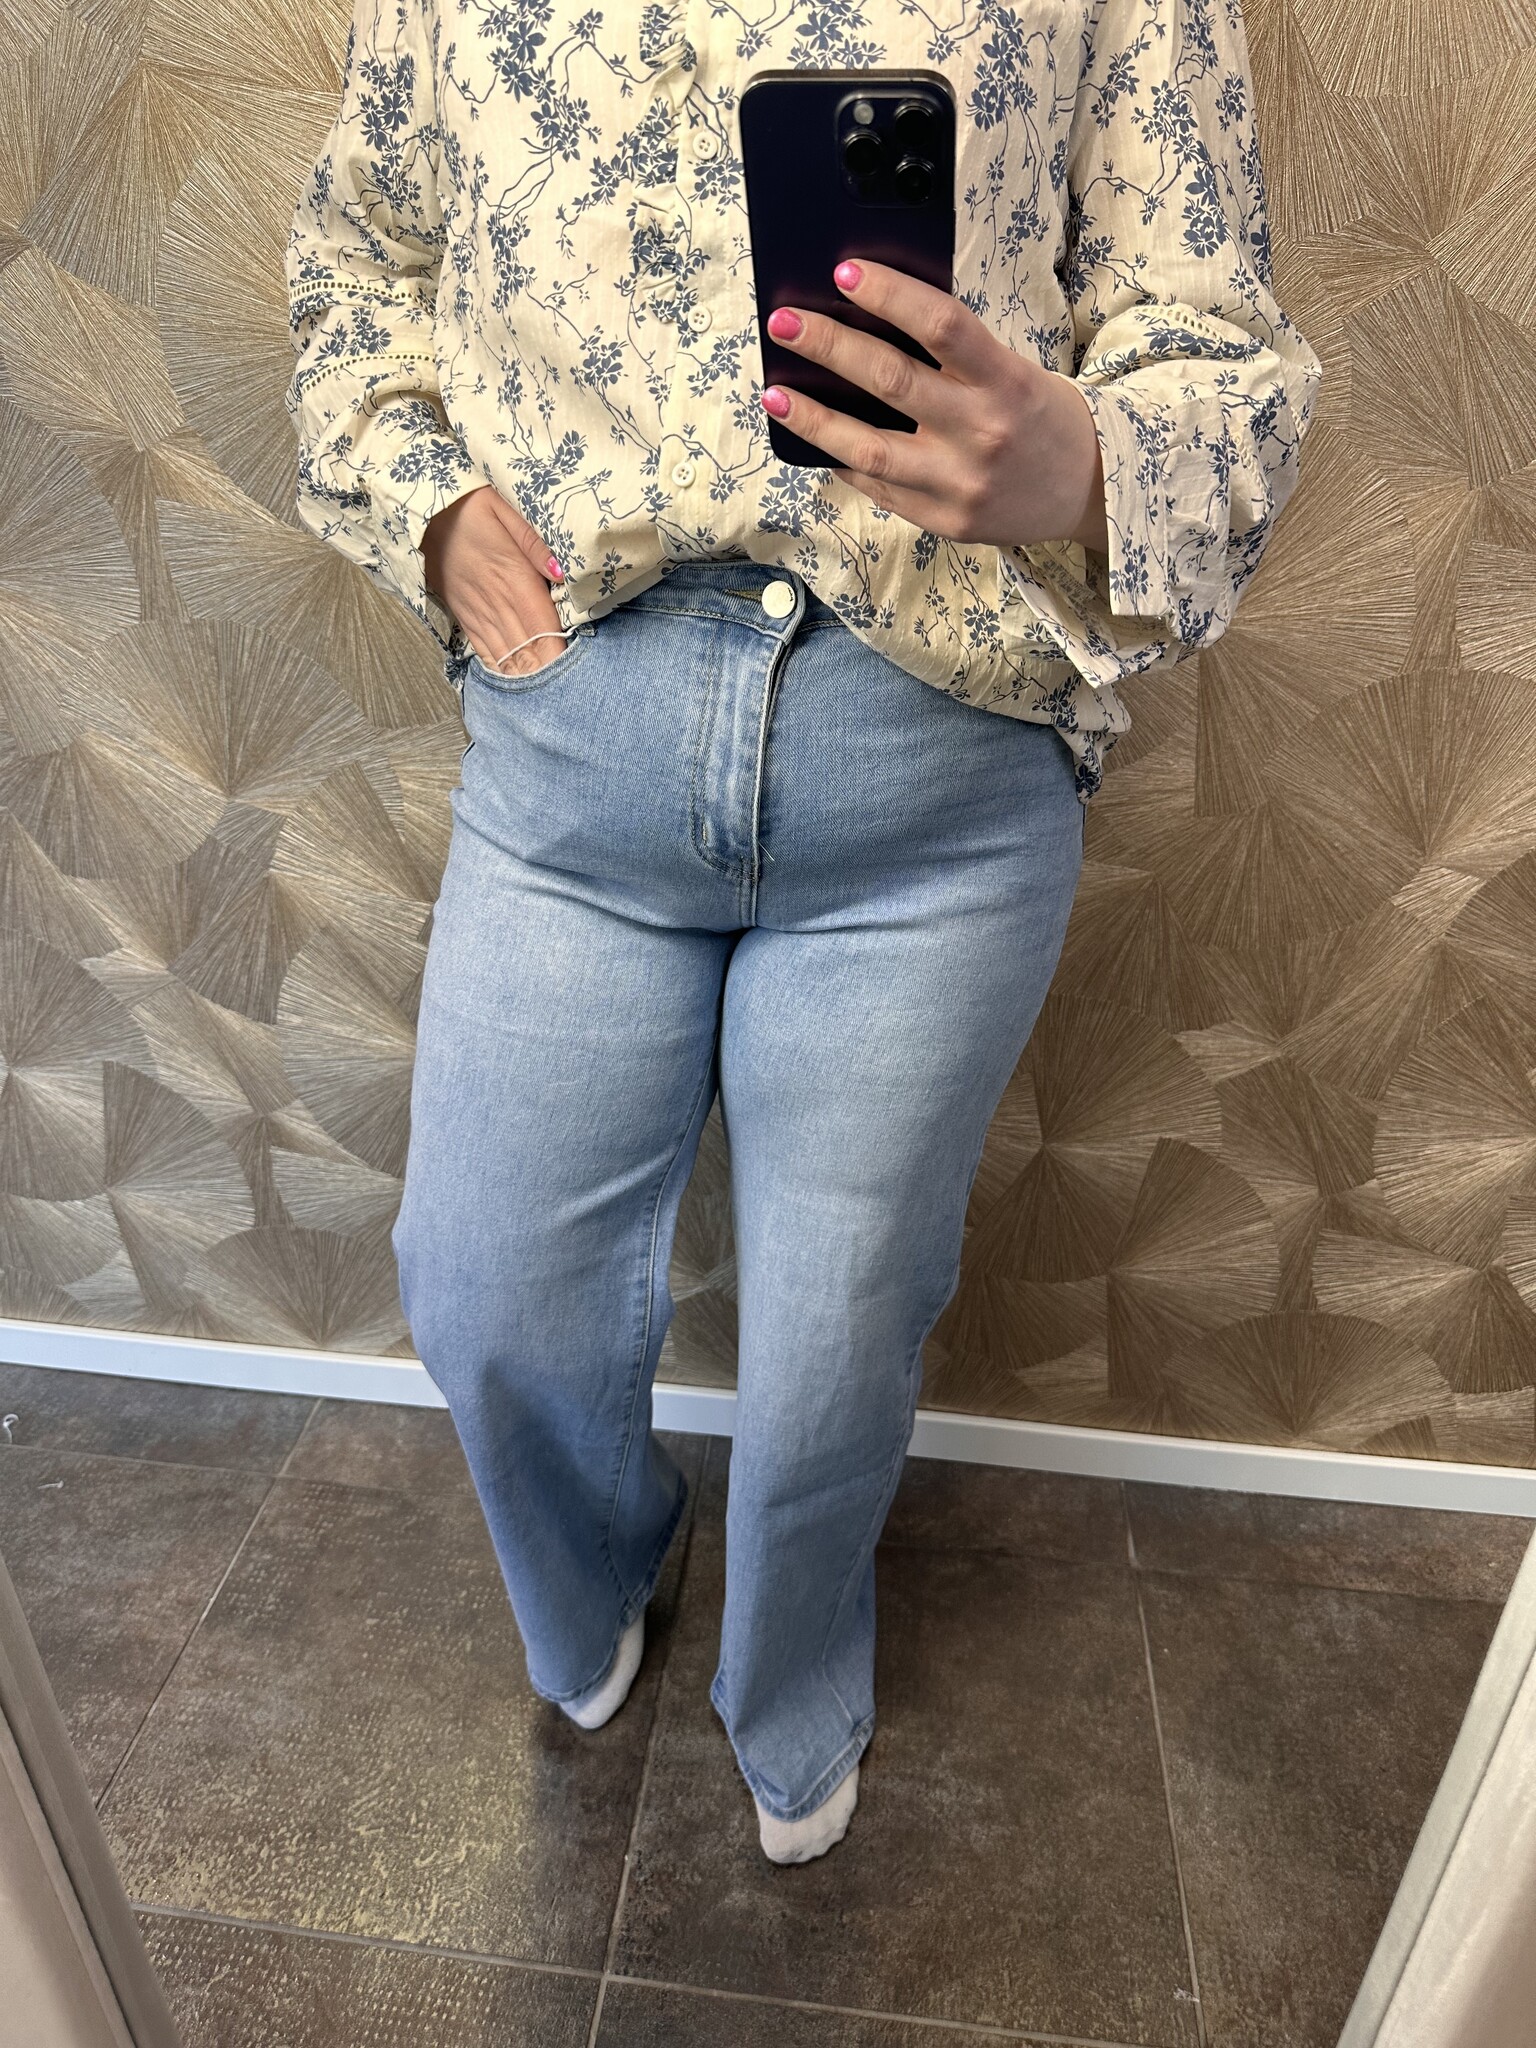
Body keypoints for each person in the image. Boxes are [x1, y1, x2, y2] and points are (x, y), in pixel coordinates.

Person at [283, 0, 1321, 1864]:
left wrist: (1086, 463)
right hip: (577, 742)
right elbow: (361, 260)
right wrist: (423, 504)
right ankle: (609, 1563)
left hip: (929, 769)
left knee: (839, 1344)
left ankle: (794, 1669)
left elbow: (1217, 341)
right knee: (485, 1285)